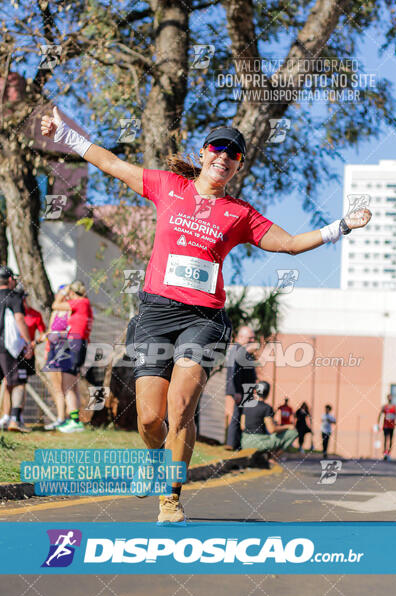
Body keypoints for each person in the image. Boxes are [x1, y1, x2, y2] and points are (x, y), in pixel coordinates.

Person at [41, 107, 371, 524]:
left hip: (204, 319)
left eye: (233, 154)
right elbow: (110, 163)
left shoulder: (239, 214)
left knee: (181, 406)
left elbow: (288, 244)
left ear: (237, 166)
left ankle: (171, 498)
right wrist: (65, 135)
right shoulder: (167, 186)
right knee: (149, 417)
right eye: (218, 147)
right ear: (202, 153)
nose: (224, 156)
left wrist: (341, 226)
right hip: (156, 313)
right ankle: (153, 458)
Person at [49, 281, 93, 433]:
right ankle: (75, 420)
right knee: (72, 385)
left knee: (66, 386)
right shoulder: (85, 303)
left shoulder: (80, 302)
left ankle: (74, 421)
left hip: (75, 344)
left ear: (72, 294)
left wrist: (63, 292)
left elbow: (55, 305)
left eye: (69, 294)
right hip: (78, 344)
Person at [0, 267, 33, 433]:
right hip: (7, 347)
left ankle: (5, 417)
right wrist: (28, 342)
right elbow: (20, 319)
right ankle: (14, 419)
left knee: (7, 382)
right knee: (19, 382)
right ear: (10, 279)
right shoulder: (13, 297)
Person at [240, 381, 298, 457]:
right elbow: (271, 429)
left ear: (255, 391)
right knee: (293, 432)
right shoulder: (266, 407)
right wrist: (288, 426)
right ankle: (273, 457)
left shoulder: (246, 405)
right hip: (260, 443)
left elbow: (242, 426)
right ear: (267, 393)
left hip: (245, 443)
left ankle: (265, 456)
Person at [225, 325, 258, 451]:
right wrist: (236, 391)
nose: (252, 341)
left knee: (244, 416)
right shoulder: (237, 350)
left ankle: (239, 444)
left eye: (253, 338)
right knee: (236, 416)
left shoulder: (243, 351)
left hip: (246, 389)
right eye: (250, 338)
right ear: (241, 337)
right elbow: (233, 372)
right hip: (240, 390)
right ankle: (232, 444)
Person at [42, 284, 71, 430]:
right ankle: (60, 418)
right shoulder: (56, 311)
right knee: (56, 387)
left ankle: (67, 417)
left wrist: (58, 335)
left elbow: (71, 332)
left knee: (66, 386)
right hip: (53, 350)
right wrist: (47, 348)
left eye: (62, 292)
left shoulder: (69, 309)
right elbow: (50, 331)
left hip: (65, 349)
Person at [378, 394, 396, 461]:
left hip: (392, 426)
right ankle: (385, 453)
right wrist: (378, 424)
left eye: (391, 397)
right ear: (387, 398)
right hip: (386, 425)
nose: (390, 398)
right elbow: (380, 415)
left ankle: (389, 453)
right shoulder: (384, 407)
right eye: (389, 397)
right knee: (386, 439)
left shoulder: (394, 407)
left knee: (391, 440)